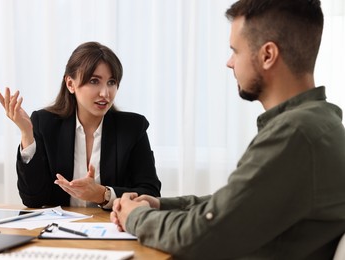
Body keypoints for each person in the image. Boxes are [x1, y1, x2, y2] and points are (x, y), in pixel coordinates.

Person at [110, 0, 345, 259]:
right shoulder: (320, 122)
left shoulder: (295, 134)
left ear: (268, 55)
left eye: (235, 50)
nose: (229, 62)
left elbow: (199, 236)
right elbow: (233, 206)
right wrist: (159, 205)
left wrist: (135, 216)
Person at [0, 41, 161, 209]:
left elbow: (151, 194)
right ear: (70, 84)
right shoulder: (45, 123)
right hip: (61, 230)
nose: (105, 93)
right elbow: (33, 199)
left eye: (111, 82)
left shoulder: (133, 128)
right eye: (94, 81)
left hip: (112, 228)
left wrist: (103, 194)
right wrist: (26, 133)